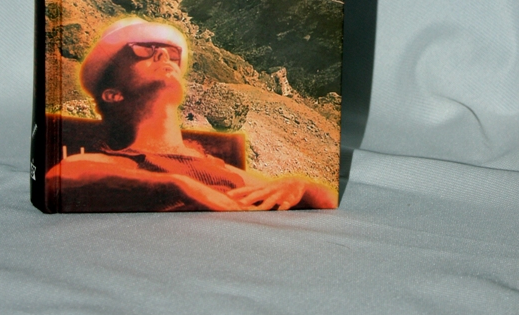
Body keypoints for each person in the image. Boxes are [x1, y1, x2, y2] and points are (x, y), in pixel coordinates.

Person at [46, 17, 337, 212]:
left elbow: (328, 201)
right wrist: (177, 184)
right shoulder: (122, 161)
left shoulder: (213, 165)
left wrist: (301, 186)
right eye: (143, 50)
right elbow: (60, 177)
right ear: (113, 94)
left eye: (171, 53)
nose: (164, 55)